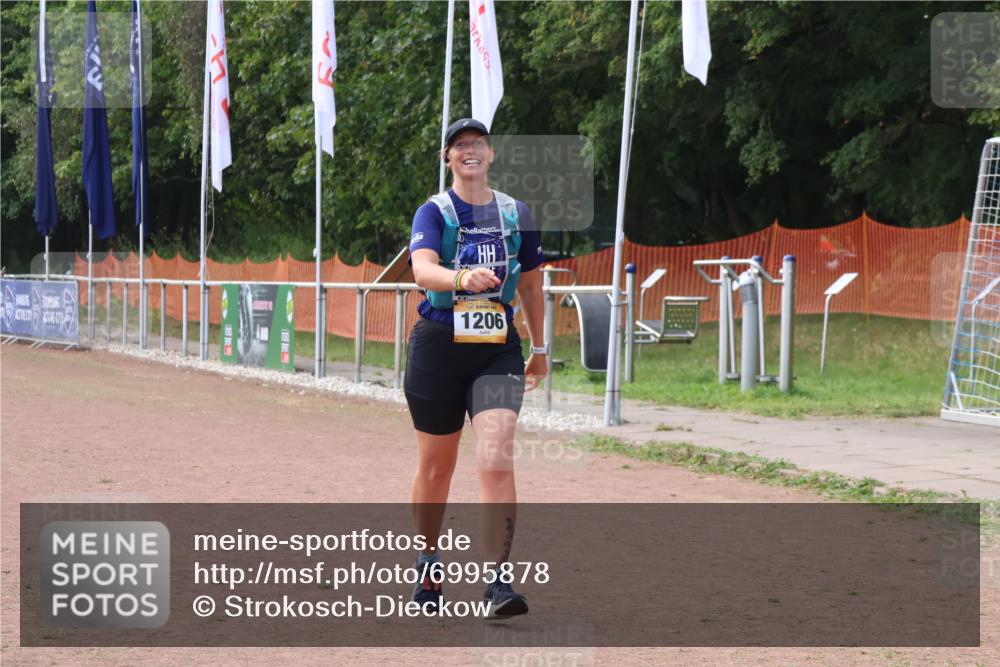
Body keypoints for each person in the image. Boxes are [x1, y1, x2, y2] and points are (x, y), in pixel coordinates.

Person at [405, 118, 547, 618]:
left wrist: (541, 347)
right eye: (460, 145)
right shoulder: (434, 212)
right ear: (447, 157)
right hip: (438, 347)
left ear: (491, 154)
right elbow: (422, 269)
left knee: (496, 458)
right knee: (436, 467)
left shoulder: (516, 213)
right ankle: (428, 564)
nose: (470, 150)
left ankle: (497, 582)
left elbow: (531, 285)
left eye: (478, 144)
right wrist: (461, 277)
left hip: (496, 349)